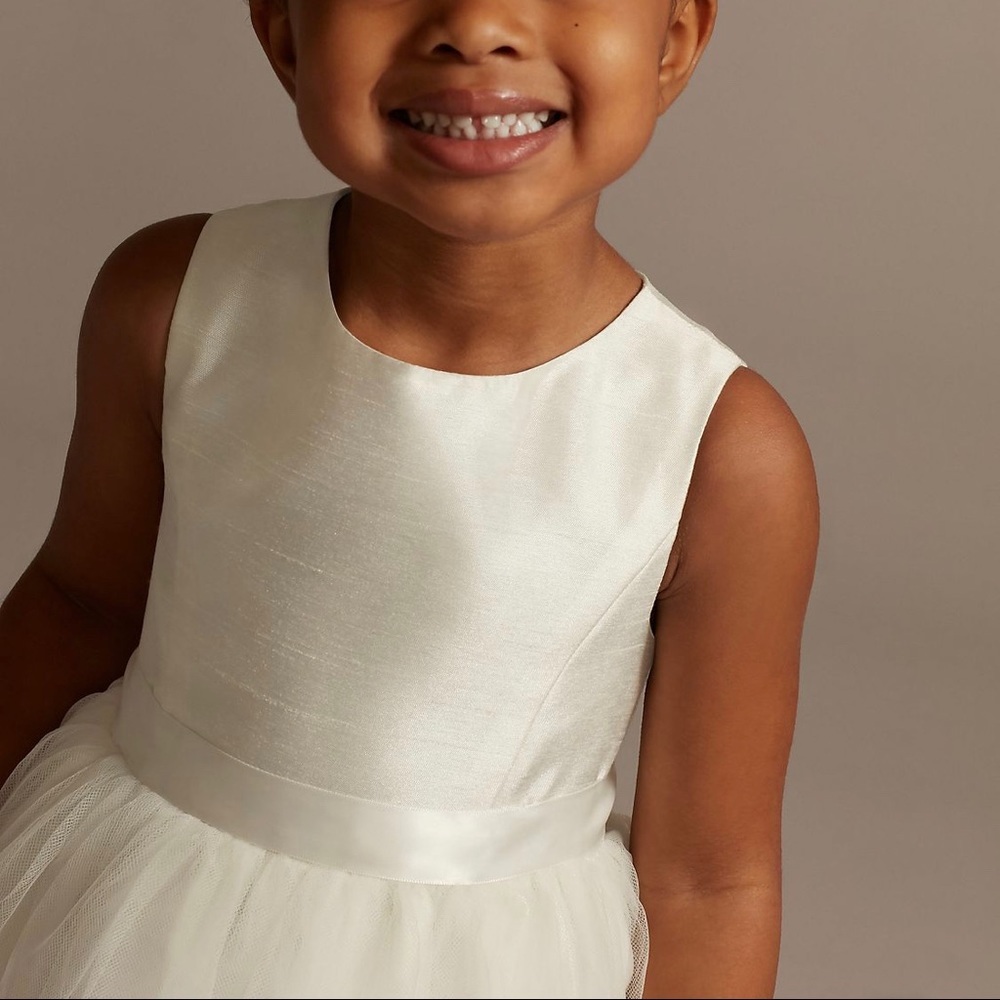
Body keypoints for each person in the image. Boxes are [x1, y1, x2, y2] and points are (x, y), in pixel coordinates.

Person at [0, 1, 819, 997]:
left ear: (674, 40)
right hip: (130, 905)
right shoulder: (172, 300)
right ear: (284, 29)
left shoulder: (722, 452)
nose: (476, 25)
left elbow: (708, 879)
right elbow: (78, 604)